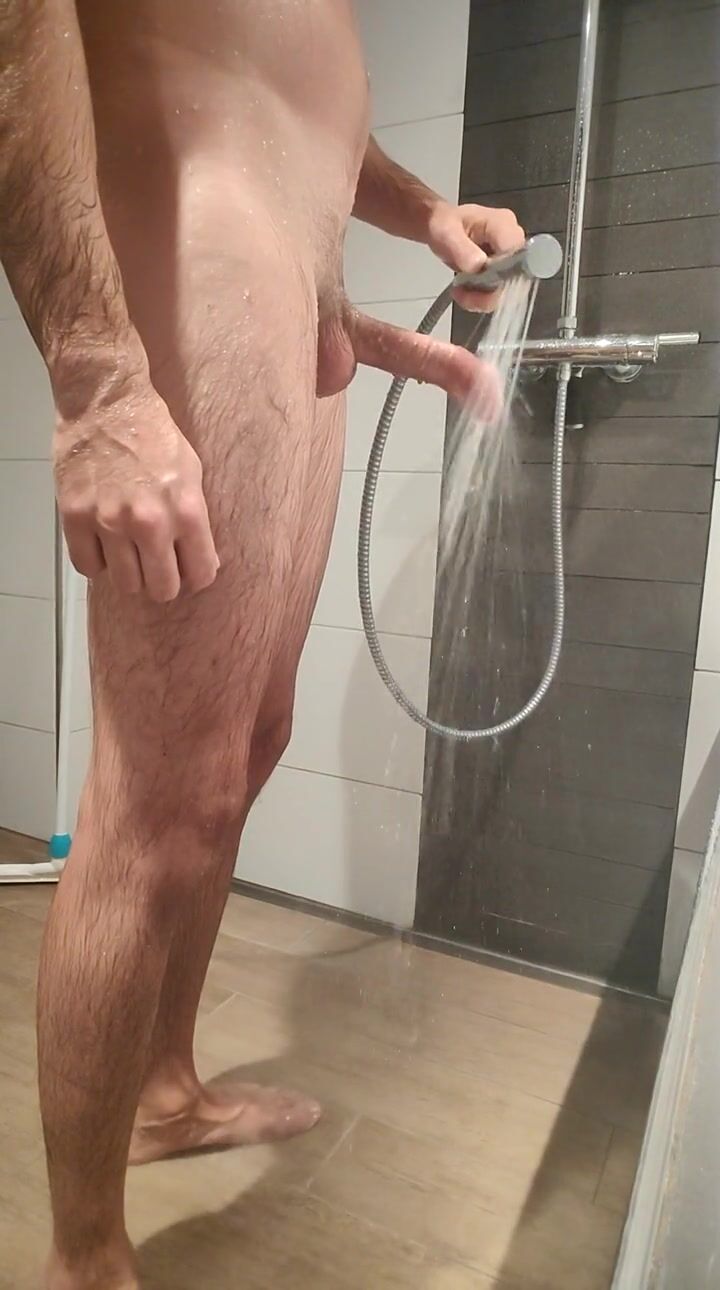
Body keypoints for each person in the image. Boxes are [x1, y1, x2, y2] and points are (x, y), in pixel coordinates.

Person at [0, 2, 523, 1286]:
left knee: (246, 751)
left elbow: (289, 88)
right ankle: (83, 1259)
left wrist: (422, 213)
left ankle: (166, 1091)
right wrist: (98, 377)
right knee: (158, 801)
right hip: (203, 262)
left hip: (300, 295)